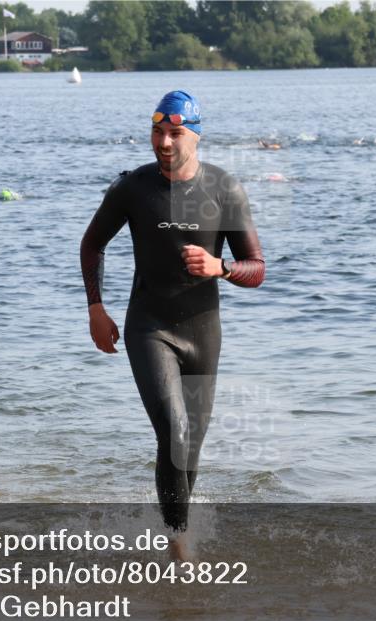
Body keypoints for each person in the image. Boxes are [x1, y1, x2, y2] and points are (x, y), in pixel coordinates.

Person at [80, 90, 265, 561]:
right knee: (174, 431)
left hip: (203, 331)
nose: (164, 142)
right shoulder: (133, 188)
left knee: (191, 449)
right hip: (150, 325)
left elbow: (256, 268)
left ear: (195, 136)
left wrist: (219, 267)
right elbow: (92, 244)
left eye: (175, 133)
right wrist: (96, 308)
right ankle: (179, 543)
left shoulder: (224, 189)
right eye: (157, 132)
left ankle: (175, 529)